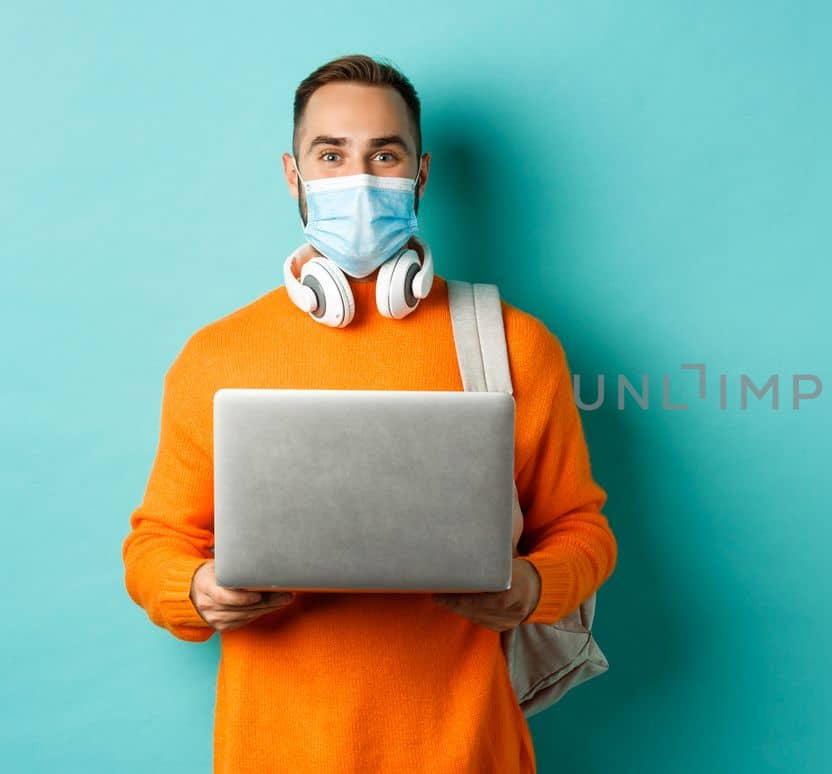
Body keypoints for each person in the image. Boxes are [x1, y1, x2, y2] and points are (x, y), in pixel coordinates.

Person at [120, 54, 618, 773]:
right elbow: (155, 543)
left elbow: (583, 528)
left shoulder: (515, 344)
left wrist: (535, 587)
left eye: (384, 155)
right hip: (273, 753)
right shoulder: (216, 354)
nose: (359, 178)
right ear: (294, 176)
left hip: (469, 751)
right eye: (331, 154)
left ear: (420, 173)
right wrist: (196, 590)